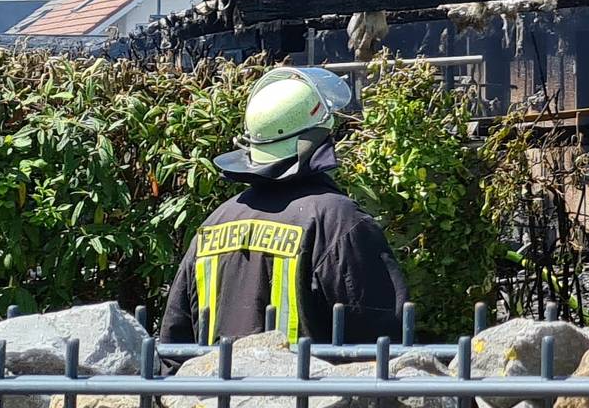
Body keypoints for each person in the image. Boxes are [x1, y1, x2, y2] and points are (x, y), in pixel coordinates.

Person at [159, 66, 407, 345]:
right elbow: (381, 343)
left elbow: (174, 344)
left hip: (217, 386)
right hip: (304, 387)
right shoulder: (339, 222)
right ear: (319, 137)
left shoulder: (215, 222)